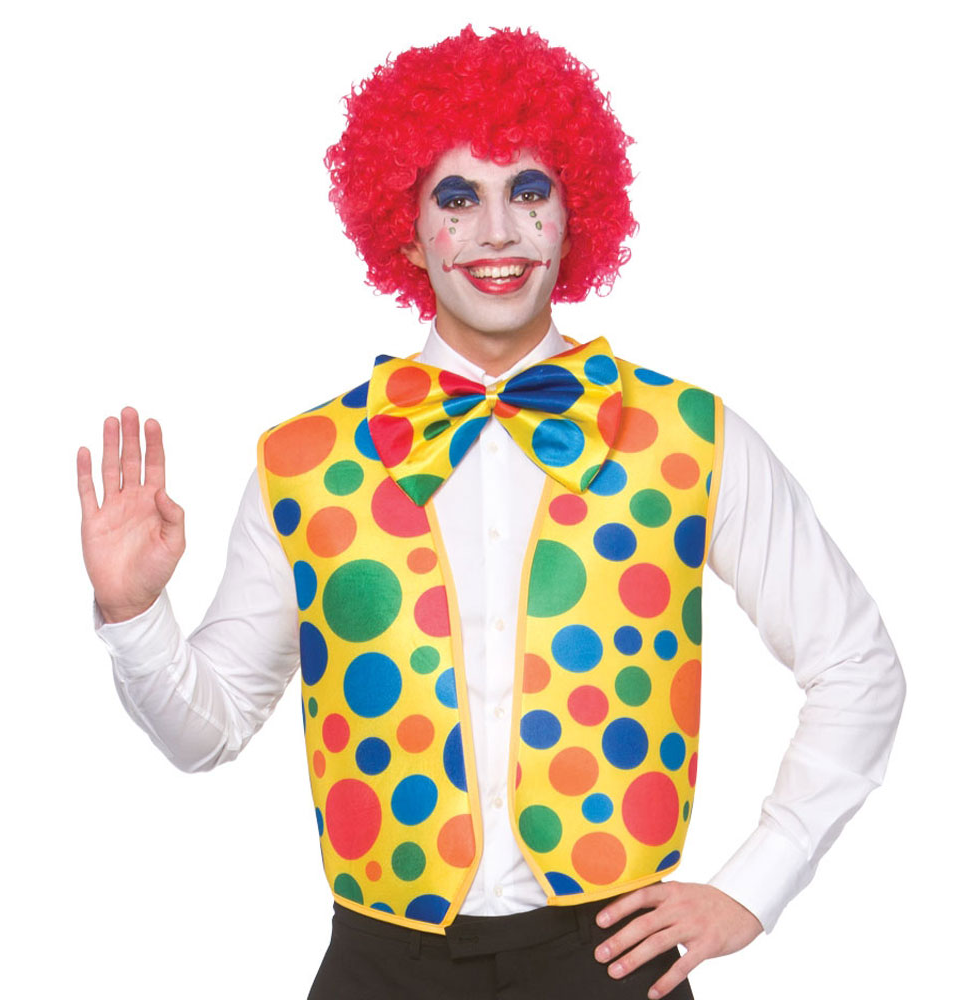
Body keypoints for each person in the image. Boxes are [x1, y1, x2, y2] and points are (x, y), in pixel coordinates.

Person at [77, 26, 905, 1000]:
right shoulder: (305, 462)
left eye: (529, 189)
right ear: (406, 230)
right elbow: (206, 731)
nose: (499, 232)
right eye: (458, 198)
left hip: (612, 960)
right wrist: (133, 613)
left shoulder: (690, 434)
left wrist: (752, 889)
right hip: (381, 966)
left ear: (574, 213)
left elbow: (858, 665)